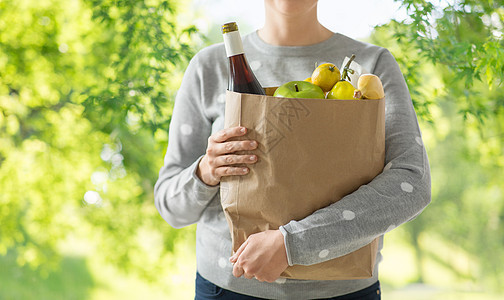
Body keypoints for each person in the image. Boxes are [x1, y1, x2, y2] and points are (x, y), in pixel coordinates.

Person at [154, 0, 431, 299]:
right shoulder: (208, 66)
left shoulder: (371, 67)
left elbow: (411, 184)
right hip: (227, 288)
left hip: (344, 292)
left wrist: (292, 244)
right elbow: (170, 208)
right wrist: (206, 170)